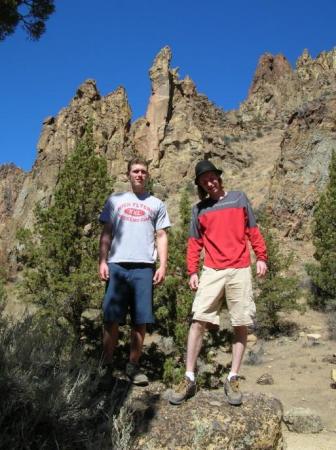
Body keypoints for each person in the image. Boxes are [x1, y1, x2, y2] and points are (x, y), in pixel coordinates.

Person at [169, 160, 267, 405]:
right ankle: (189, 377)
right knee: (198, 320)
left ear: (219, 178)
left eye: (212, 178)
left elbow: (253, 230)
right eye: (204, 181)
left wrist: (261, 257)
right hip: (212, 270)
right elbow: (194, 244)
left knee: (240, 322)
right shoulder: (199, 209)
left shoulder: (239, 198)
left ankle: (233, 377)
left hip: (240, 268)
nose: (209, 183)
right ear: (200, 185)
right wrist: (192, 271)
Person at [99, 157, 170, 385]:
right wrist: (102, 260)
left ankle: (133, 366)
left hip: (144, 267)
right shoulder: (115, 200)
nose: (139, 174)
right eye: (135, 171)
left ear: (148, 175)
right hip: (117, 265)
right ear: (128, 174)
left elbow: (161, 235)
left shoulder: (156, 204)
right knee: (111, 318)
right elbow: (107, 231)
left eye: (143, 171)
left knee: (141, 320)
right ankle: (107, 365)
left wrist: (163, 265)